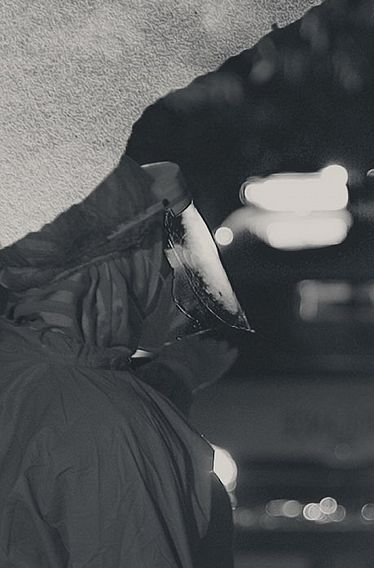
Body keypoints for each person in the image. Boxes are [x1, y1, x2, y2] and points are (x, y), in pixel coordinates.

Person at [0, 156, 251, 566]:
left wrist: (173, 378)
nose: (165, 276)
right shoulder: (113, 428)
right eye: (155, 255)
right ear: (109, 270)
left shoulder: (22, 372)